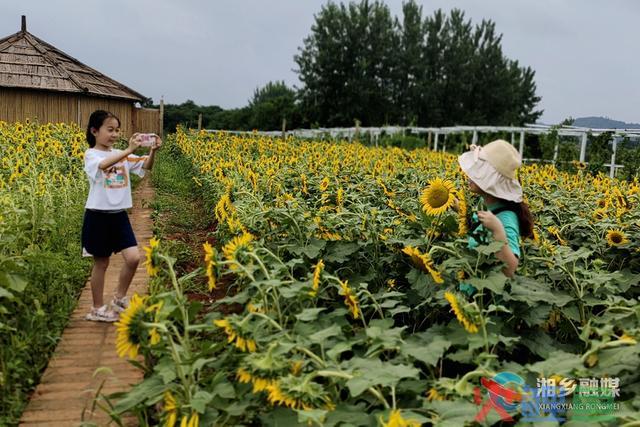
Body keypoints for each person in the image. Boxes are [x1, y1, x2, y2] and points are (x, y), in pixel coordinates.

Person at [81, 110, 162, 322]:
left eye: (117, 130)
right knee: (101, 263)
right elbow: (103, 165)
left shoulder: (124, 155)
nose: (115, 134)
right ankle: (97, 308)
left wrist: (153, 151)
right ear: (94, 131)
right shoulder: (92, 155)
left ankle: (119, 298)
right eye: (110, 130)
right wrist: (128, 149)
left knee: (134, 258)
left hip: (119, 216)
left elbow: (146, 166)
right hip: (98, 216)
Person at [457, 139, 534, 293]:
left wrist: (498, 231)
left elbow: (510, 269)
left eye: (478, 171)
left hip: (485, 303)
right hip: (471, 295)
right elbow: (479, 235)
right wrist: (461, 212)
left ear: (491, 181)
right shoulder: (487, 206)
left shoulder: (505, 218)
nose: (469, 174)